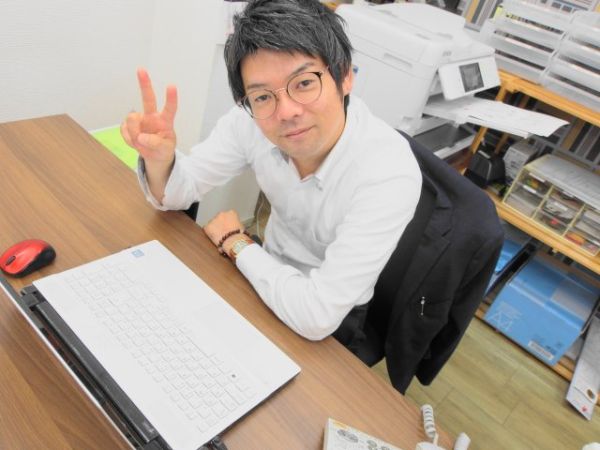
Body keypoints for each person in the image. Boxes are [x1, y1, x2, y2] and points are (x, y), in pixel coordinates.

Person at [121, 0, 421, 343]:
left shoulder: (388, 172)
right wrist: (160, 160)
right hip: (262, 271)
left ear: (345, 75)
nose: (287, 112)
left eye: (304, 83)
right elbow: (179, 193)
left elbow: (318, 316)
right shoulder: (249, 121)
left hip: (330, 321)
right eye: (262, 96)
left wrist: (236, 243)